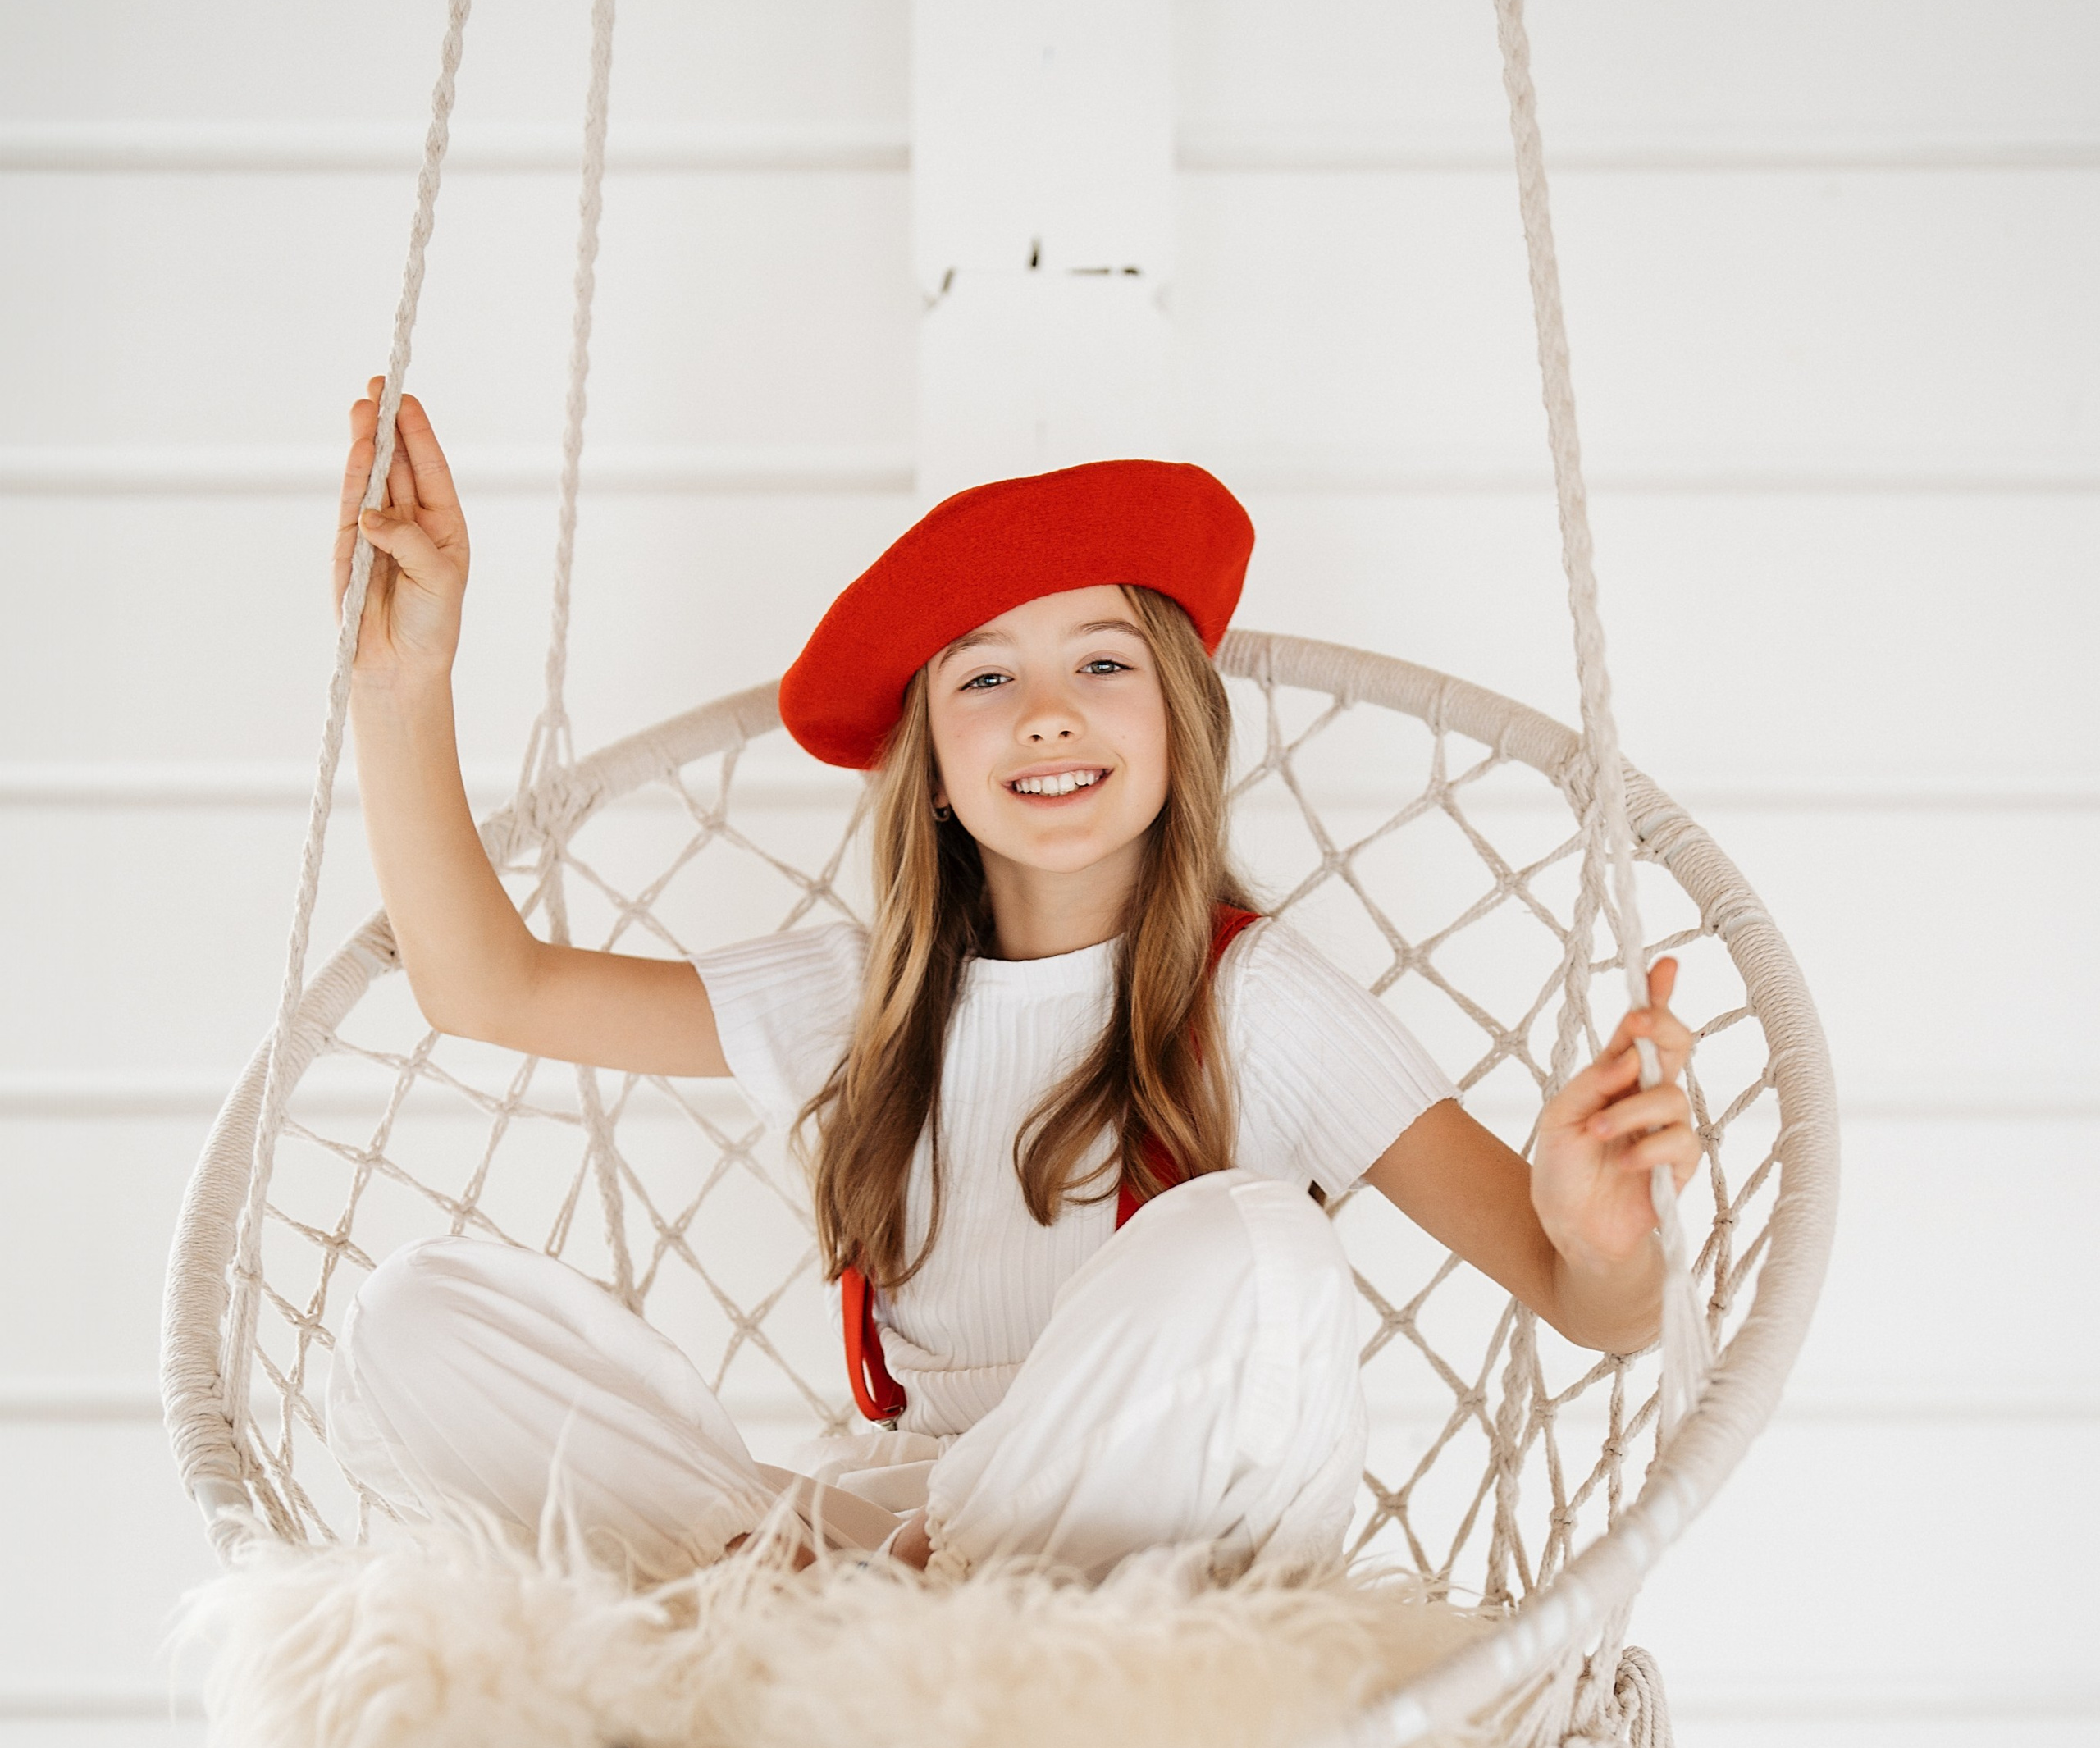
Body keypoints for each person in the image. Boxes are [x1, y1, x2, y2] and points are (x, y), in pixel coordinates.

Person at [324, 383, 1698, 1589]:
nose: (1048, 710)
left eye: (1102, 663)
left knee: (1262, 1246)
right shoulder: (857, 1003)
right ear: (928, 757)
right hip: (894, 1522)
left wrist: (1596, 1241)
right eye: (986, 677)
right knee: (414, 1318)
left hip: (1159, 1552)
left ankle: (873, 1595)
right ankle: (828, 1592)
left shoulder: (1260, 1002)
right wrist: (404, 685)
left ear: (1178, 721)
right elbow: (482, 984)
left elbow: (1592, 1313)